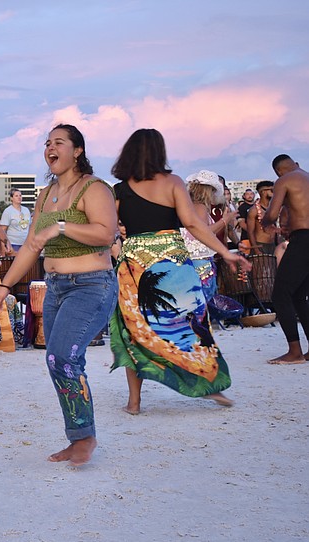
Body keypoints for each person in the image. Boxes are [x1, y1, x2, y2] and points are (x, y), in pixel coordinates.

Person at [0, 124, 118, 467]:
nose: (50, 148)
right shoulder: (45, 194)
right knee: (56, 359)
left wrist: (61, 227)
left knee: (63, 356)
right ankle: (79, 436)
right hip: (56, 287)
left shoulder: (94, 188)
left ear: (77, 150)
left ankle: (84, 438)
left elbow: (106, 233)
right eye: (47, 143)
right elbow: (32, 246)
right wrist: (4, 286)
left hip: (92, 284)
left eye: (58, 142)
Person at [110, 129, 250, 415]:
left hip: (134, 268)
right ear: (159, 152)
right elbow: (194, 225)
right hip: (174, 265)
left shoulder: (120, 189)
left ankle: (134, 403)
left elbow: (109, 230)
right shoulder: (172, 182)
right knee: (193, 326)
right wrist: (225, 252)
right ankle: (210, 385)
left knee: (134, 331)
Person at [262, 154, 309, 364]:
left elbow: (272, 213)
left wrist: (266, 223)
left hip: (303, 239)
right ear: (295, 164)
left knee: (280, 295)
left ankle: (295, 351)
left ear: (278, 172)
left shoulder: (284, 180)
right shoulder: (306, 176)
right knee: (299, 296)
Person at [181, 170, 237, 302]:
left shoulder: (190, 206)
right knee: (203, 298)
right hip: (199, 259)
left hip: (193, 258)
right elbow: (204, 231)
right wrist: (225, 220)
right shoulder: (199, 206)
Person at [246, 180, 278, 255]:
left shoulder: (272, 208)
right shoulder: (253, 210)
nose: (274, 193)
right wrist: (256, 249)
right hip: (260, 245)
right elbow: (250, 232)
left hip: (273, 245)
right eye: (271, 190)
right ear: (263, 192)